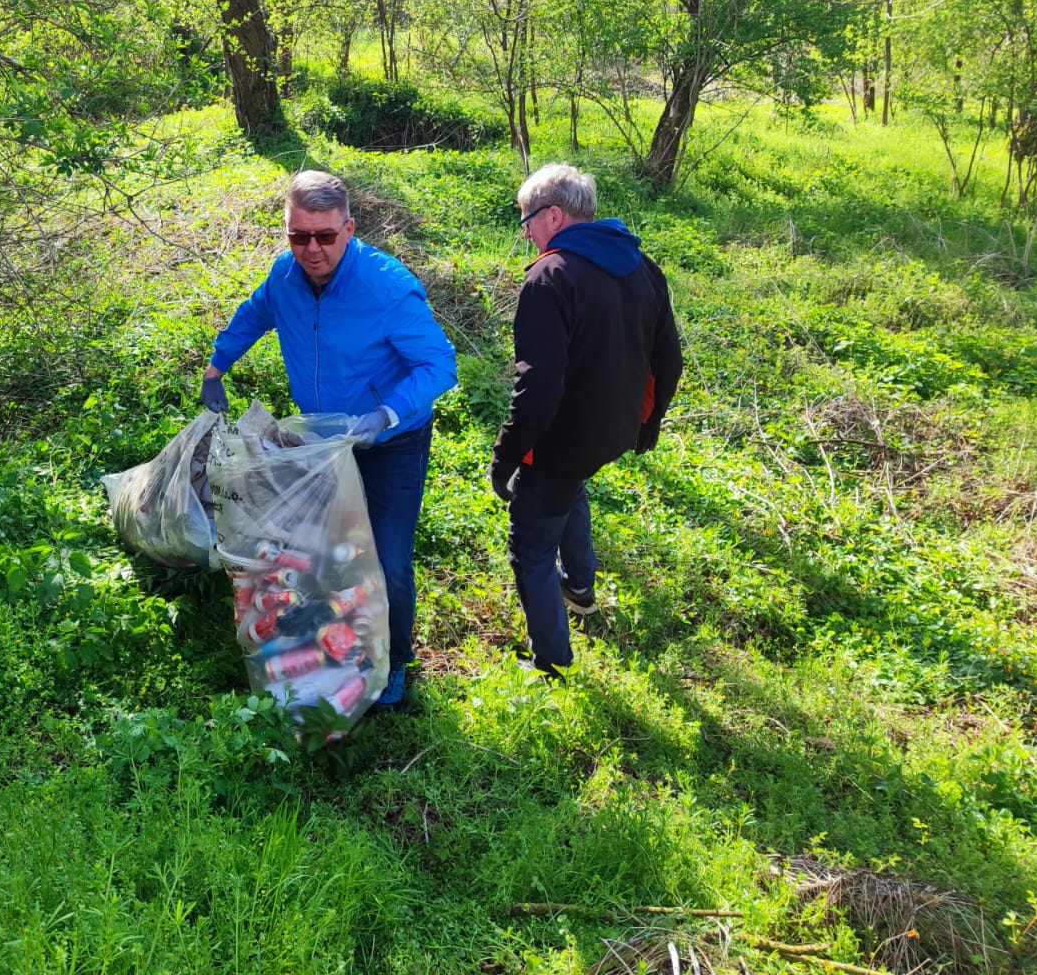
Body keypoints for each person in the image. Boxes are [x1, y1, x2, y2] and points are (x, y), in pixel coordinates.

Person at [200, 170, 457, 711]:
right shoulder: (285, 278)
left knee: (387, 560)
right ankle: (335, 646)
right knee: (323, 556)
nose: (311, 249)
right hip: (321, 449)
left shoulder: (386, 286)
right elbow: (255, 315)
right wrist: (216, 366)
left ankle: (395, 663)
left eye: (324, 236)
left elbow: (439, 364)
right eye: (299, 236)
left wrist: (385, 414)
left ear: (349, 229)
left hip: (390, 444)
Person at [489, 163, 682, 677]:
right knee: (570, 489)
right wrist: (648, 423)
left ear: (554, 215)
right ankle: (579, 588)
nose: (526, 231)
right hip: (613, 431)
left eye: (527, 219)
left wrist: (504, 459)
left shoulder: (550, 277)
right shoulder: (642, 265)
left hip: (562, 442)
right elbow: (669, 359)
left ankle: (551, 661)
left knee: (530, 547)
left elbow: (538, 389)